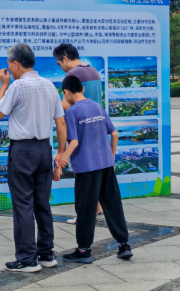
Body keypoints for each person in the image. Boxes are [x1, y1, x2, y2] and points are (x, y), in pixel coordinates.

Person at [0, 43, 67, 273]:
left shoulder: (17, 86)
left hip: (23, 151)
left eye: (9, 65)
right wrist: (60, 152)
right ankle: (46, 254)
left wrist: (3, 85)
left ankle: (27, 259)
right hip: (44, 148)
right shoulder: (49, 85)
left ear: (15, 64)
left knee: (23, 204)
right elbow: (60, 122)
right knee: (42, 203)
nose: (8, 69)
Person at [56, 75, 132, 263]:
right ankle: (124, 245)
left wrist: (61, 160)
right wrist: (111, 158)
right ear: (82, 89)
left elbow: (74, 142)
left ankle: (83, 251)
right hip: (106, 165)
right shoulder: (98, 106)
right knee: (113, 205)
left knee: (86, 208)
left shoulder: (72, 112)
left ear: (66, 92)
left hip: (87, 168)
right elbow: (114, 134)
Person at [53, 43, 105, 225]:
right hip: (97, 130)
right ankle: (98, 211)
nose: (61, 68)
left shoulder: (72, 75)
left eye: (60, 63)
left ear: (65, 58)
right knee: (94, 173)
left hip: (80, 131)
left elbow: (64, 106)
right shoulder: (94, 72)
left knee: (83, 177)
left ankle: (84, 215)